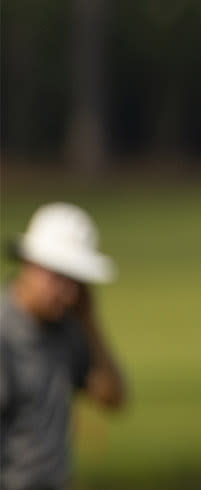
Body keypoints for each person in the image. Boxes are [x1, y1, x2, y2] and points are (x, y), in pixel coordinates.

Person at [0, 202, 127, 490]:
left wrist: (89, 321)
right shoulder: (4, 332)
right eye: (58, 278)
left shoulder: (66, 329)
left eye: (76, 282)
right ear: (29, 265)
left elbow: (112, 397)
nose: (68, 293)